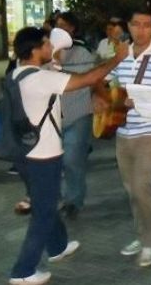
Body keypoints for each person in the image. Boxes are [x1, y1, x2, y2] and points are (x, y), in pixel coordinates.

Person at [7, 27, 128, 285]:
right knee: (45, 210)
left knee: (45, 201)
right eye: (46, 45)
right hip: (43, 155)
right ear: (35, 50)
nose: (51, 47)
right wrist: (117, 59)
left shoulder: (18, 73)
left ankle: (58, 246)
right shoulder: (40, 78)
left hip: (25, 152)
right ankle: (23, 271)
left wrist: (54, 66)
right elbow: (87, 79)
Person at [100, 9, 151, 268]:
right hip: (124, 129)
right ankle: (140, 234)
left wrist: (137, 97)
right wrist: (109, 100)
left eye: (146, 25)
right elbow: (101, 81)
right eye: (136, 25)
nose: (141, 30)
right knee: (132, 189)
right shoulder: (120, 56)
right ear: (128, 27)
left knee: (142, 184)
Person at [54, 12, 98, 220]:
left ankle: (73, 200)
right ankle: (59, 196)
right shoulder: (47, 52)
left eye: (64, 26)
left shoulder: (82, 52)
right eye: (57, 25)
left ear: (73, 29)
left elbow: (93, 79)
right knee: (57, 161)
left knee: (72, 159)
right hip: (52, 117)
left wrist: (99, 97)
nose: (59, 29)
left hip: (78, 112)